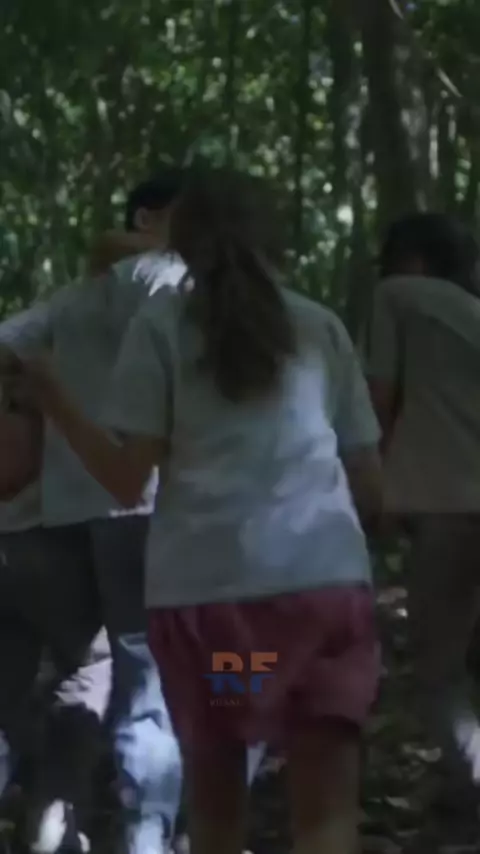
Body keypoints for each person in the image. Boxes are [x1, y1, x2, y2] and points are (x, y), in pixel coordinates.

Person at [18, 167, 382, 854]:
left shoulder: (161, 328)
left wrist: (53, 395)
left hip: (221, 613)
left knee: (217, 812)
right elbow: (369, 480)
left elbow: (126, 481)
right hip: (323, 602)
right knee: (327, 816)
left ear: (179, 242)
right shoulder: (319, 326)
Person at [1, 168, 265, 854]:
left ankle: (99, 825)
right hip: (159, 507)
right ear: (152, 220)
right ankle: (165, 829)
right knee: (183, 677)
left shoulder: (73, 299)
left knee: (117, 678)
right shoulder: (171, 279)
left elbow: (8, 343)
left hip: (77, 516)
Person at [367, 213, 480, 823]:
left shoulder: (399, 296)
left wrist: (371, 491)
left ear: (409, 258)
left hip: (451, 508)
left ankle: (473, 779)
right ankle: (459, 789)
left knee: (438, 672)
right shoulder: (471, 311)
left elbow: (378, 401)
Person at [0, 305, 112, 854]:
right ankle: (55, 817)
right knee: (89, 666)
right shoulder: (57, 378)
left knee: (7, 682)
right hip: (46, 542)